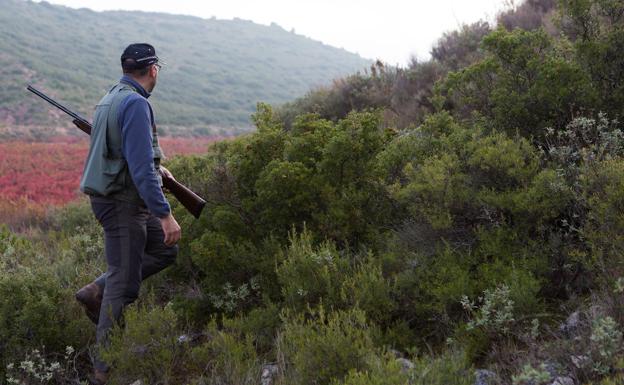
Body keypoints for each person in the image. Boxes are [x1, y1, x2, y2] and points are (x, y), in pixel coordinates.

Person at [75, 43, 181, 385]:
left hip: (119, 199)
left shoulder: (110, 98)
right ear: (153, 70)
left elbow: (126, 153)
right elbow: (138, 166)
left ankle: (95, 291)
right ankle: (103, 371)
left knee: (165, 251)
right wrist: (164, 213)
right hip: (122, 204)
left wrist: (158, 169)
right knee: (123, 285)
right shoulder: (135, 103)